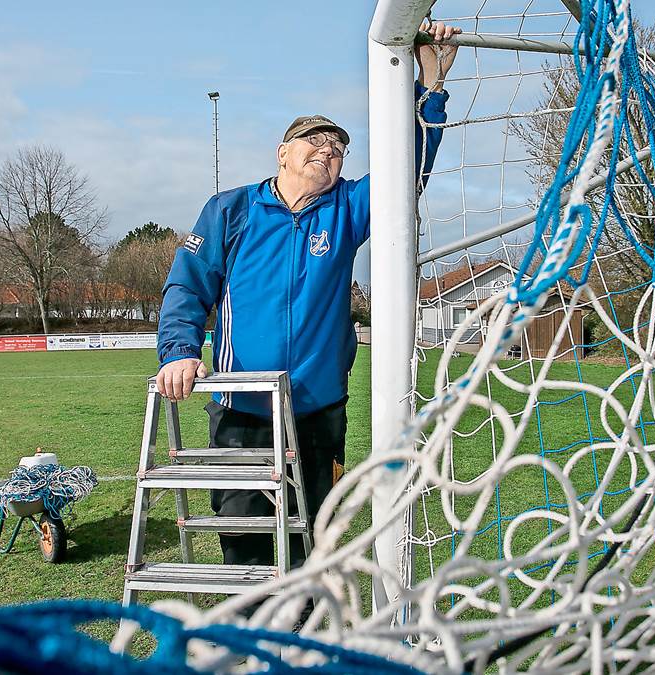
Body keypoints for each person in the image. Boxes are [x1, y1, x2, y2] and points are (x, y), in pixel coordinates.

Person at [155, 21, 461, 570]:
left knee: (312, 541)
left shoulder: (346, 208)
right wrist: (179, 349)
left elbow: (406, 164)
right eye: (315, 140)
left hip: (317, 410)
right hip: (240, 406)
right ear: (282, 153)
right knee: (242, 536)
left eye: (339, 146)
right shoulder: (232, 209)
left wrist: (430, 85)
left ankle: (305, 637)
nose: (328, 149)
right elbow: (188, 285)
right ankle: (251, 642)